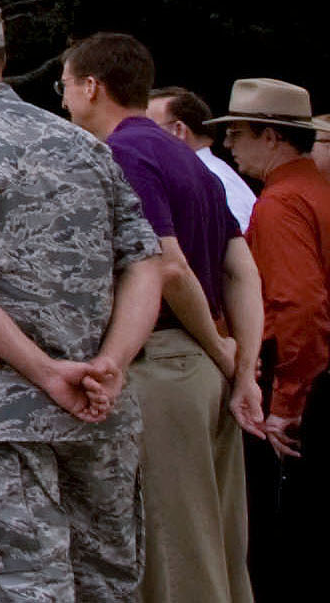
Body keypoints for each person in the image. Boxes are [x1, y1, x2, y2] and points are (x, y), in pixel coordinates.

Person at [0, 1, 165, 603]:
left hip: (1, 424)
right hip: (98, 413)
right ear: (0, 59)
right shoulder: (87, 147)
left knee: (18, 590)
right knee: (106, 588)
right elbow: (147, 264)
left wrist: (47, 373)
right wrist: (113, 363)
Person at [61, 34, 263, 603]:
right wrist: (242, 366)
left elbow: (167, 267)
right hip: (204, 370)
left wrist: (223, 352)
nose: (64, 101)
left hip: (163, 368)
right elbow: (241, 270)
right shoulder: (190, 160)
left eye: (65, 86)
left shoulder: (122, 155)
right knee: (220, 547)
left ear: (91, 87)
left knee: (175, 557)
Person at [207, 77, 330, 603]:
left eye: (237, 132)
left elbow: (298, 305)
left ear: (272, 136)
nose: (228, 144)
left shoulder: (282, 201)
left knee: (285, 546)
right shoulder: (316, 190)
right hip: (314, 378)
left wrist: (285, 405)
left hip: (304, 387)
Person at [150, 86, 260, 232]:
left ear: (179, 130)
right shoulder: (208, 174)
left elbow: (241, 239)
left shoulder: (212, 179)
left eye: (147, 128)